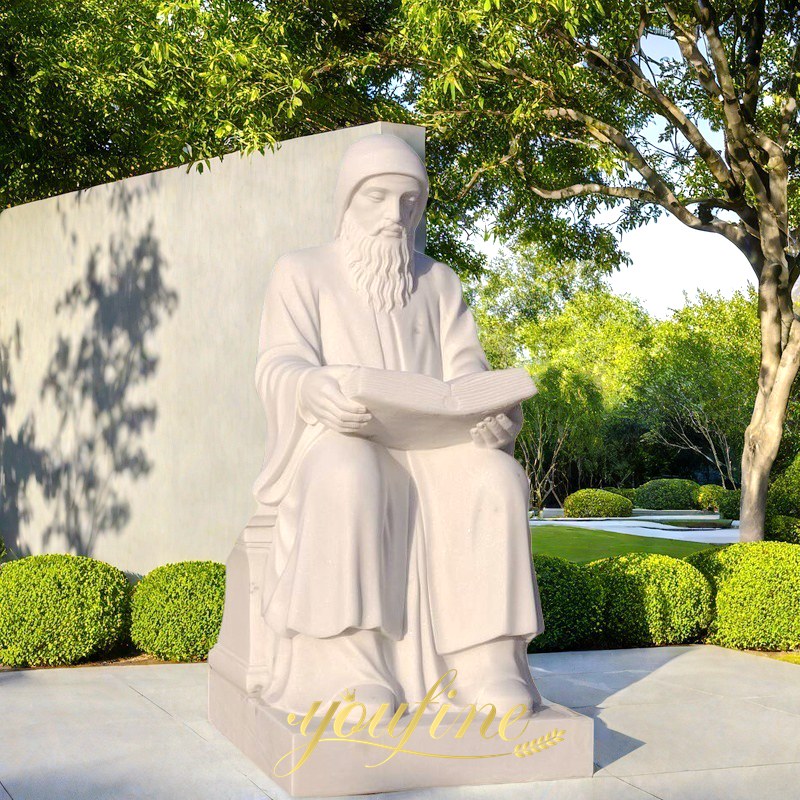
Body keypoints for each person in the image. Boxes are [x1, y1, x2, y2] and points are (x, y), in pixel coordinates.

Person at [254, 133, 545, 719]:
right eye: (378, 197)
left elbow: (468, 371)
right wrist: (312, 389)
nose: (395, 215)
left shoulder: (439, 281)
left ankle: (485, 662)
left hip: (435, 450)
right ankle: (349, 666)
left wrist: (493, 416)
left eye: (410, 201)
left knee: (497, 478)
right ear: (347, 201)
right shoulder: (302, 271)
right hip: (346, 436)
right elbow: (279, 361)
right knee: (348, 470)